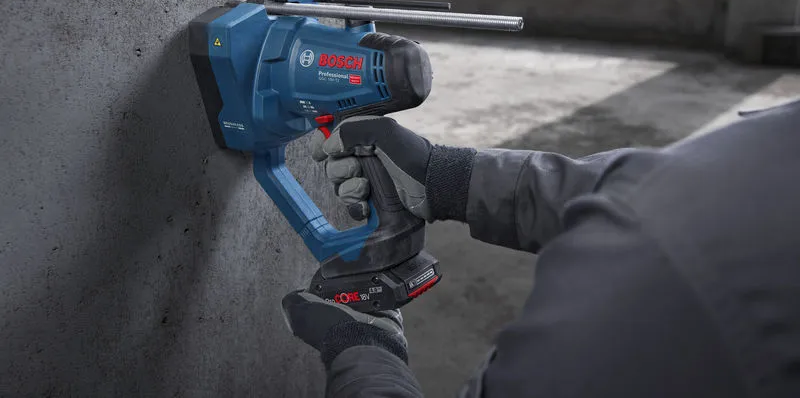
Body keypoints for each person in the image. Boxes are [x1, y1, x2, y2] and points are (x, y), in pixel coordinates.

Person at [281, 99, 800, 398]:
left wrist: (365, 354)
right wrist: (449, 177)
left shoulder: (668, 281)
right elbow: (681, 192)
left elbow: (680, 212)